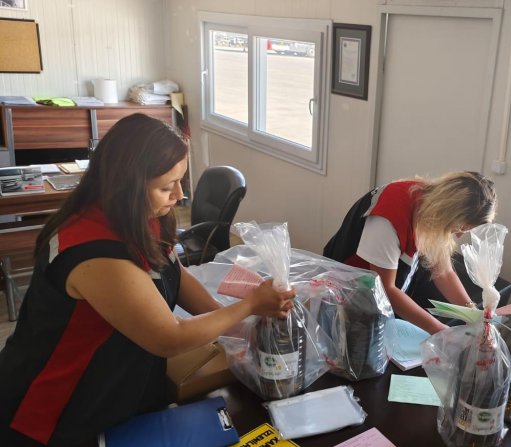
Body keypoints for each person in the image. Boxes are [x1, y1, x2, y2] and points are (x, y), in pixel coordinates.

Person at [0, 114, 295, 446]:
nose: (179, 195)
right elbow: (169, 337)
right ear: (126, 185)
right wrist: (249, 306)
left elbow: (173, 272)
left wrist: (231, 326)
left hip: (117, 383)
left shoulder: (141, 215)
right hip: (59, 405)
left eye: (181, 181)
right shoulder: (96, 253)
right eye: (166, 187)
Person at [323, 171, 497, 334]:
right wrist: (440, 331)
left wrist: (473, 315)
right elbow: (386, 289)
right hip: (347, 295)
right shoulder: (390, 215)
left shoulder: (433, 209)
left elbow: (443, 272)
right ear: (449, 212)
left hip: (379, 300)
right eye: (460, 227)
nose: (458, 235)